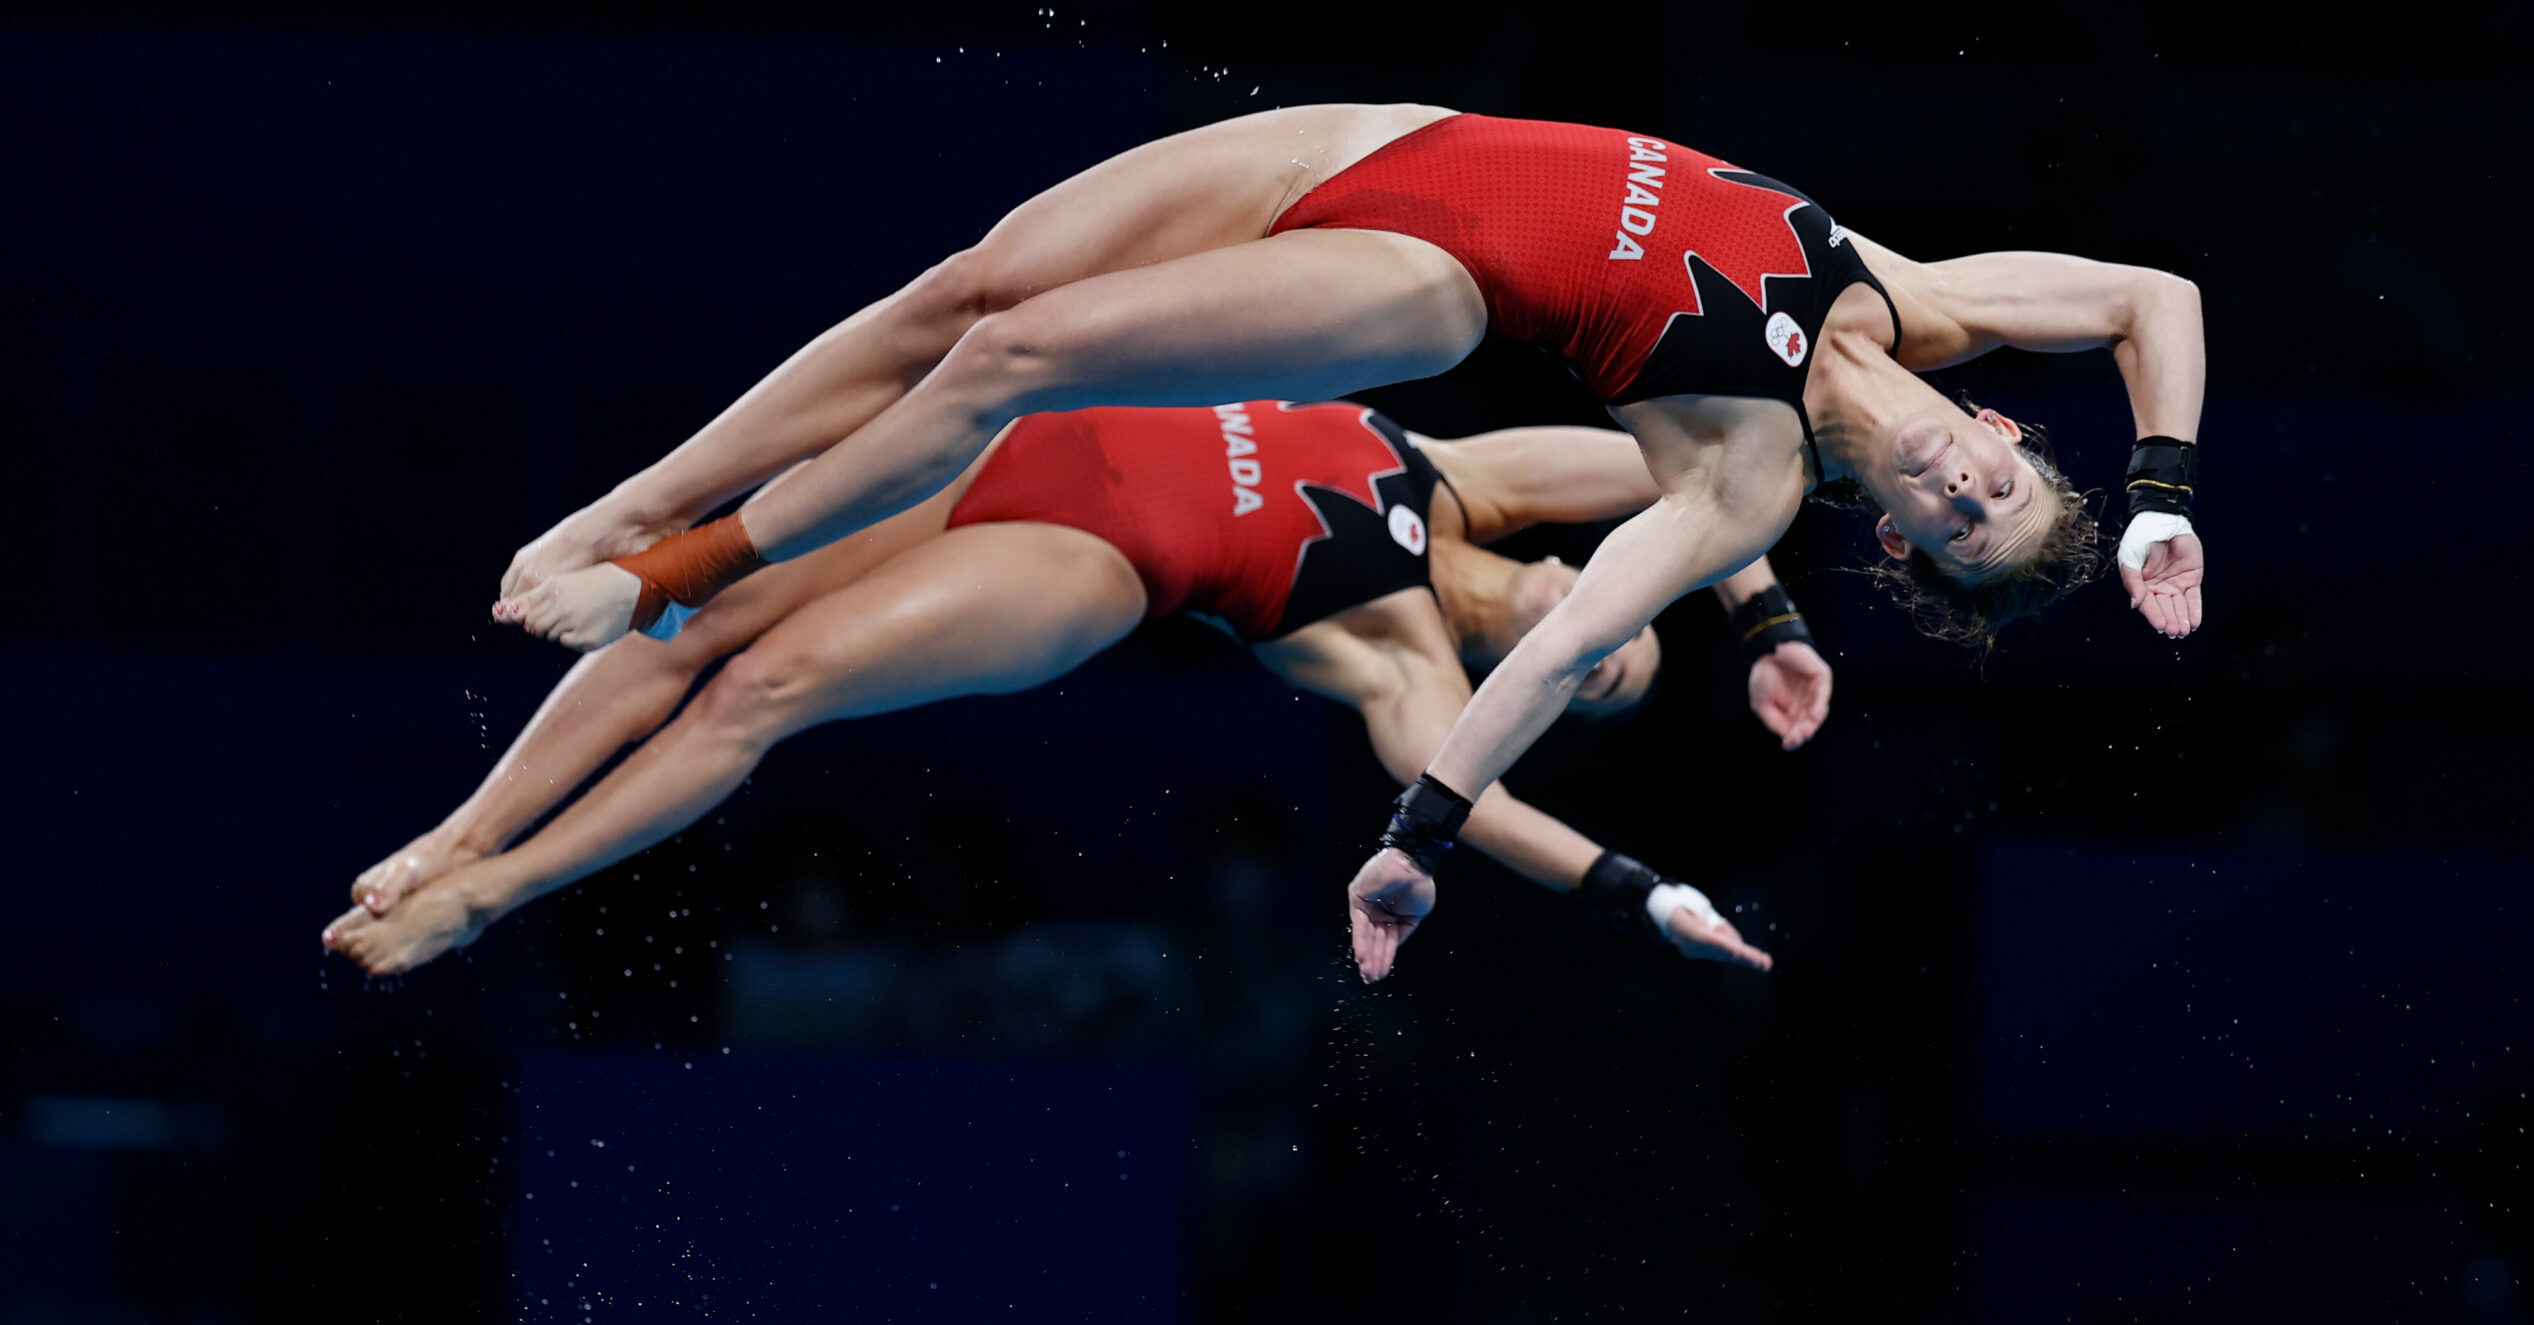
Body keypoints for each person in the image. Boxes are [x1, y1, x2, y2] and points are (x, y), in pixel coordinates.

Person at [485, 107, 2203, 674]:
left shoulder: (1746, 479)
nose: (1965, 491)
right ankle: (633, 505)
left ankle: (680, 577)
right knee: (973, 282)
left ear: (1903, 539)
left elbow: (1583, 611)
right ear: (2003, 424)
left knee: (1013, 361)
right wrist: (2158, 502)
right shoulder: (1930, 301)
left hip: (1425, 282)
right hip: (1396, 134)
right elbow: (2157, 293)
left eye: (1957, 532)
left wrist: (1754, 641)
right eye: (2002, 482)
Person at [323, 404, 1835, 976]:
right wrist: (1758, 601)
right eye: (1621, 620)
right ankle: (463, 832)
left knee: (765, 684)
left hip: (1093, 559)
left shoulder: (1404, 662)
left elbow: (1472, 805)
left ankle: (491, 894)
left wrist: (1641, 891)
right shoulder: (1475, 473)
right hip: (1031, 441)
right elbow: (1705, 475)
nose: (1592, 638)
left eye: (1597, 678)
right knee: (685, 603)